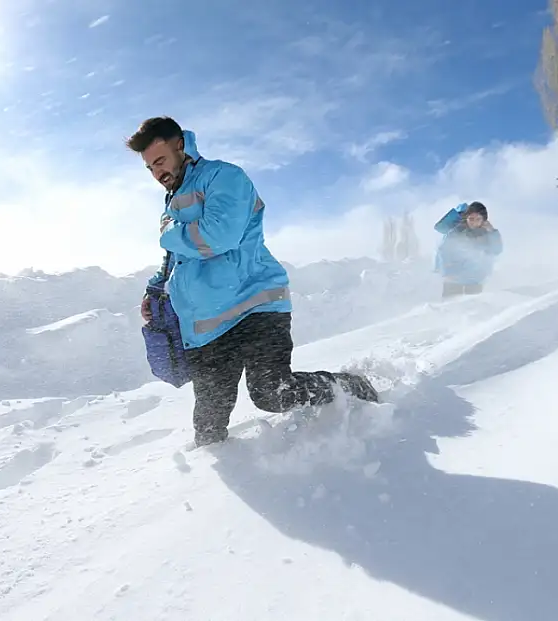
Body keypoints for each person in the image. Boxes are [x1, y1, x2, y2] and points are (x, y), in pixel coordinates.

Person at [126, 116, 379, 447]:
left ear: (180, 146)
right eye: (150, 168)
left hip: (255, 304)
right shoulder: (173, 200)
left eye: (159, 161)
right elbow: (177, 258)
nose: (157, 173)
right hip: (208, 324)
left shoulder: (225, 177)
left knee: (273, 393)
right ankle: (203, 491)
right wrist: (156, 290)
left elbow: (218, 237)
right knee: (208, 424)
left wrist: (169, 233)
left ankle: (350, 387)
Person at [432, 201, 503, 297]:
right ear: (466, 218)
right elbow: (444, 251)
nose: (474, 222)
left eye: (478, 219)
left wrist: (492, 232)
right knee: (450, 307)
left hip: (475, 279)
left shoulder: (487, 234)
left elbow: (496, 250)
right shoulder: (457, 232)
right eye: (471, 219)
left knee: (472, 308)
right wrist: (447, 272)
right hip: (453, 279)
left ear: (484, 220)